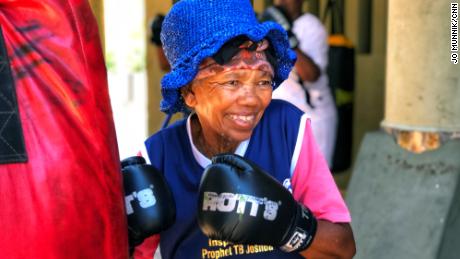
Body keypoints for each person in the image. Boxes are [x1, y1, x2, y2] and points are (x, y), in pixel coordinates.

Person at [134, 0, 355, 258]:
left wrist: (288, 224)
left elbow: (343, 248)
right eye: (232, 81)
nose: (251, 99)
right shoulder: (157, 157)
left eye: (263, 80)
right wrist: (122, 231)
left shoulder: (287, 129)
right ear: (189, 93)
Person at [266, 0, 338, 167]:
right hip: (279, 116)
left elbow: (311, 75)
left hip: (312, 116)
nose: (281, 1)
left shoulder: (312, 27)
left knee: (313, 185)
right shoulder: (271, 26)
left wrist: (289, 41)